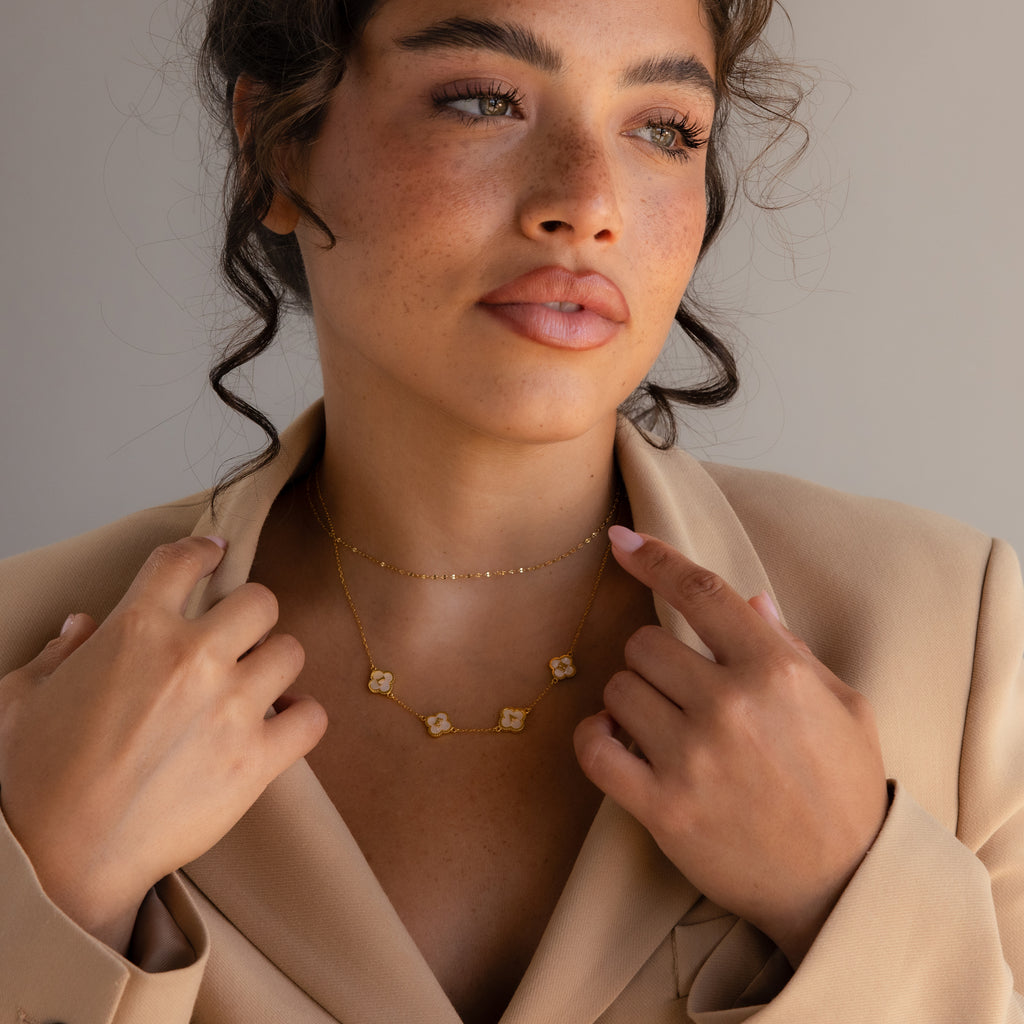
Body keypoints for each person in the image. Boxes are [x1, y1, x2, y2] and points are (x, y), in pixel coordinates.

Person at [1, 0, 1021, 1020]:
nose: (588, 203)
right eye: (484, 101)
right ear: (275, 145)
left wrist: (848, 901)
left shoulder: (955, 641)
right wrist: (54, 896)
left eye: (664, 128)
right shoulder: (22, 650)